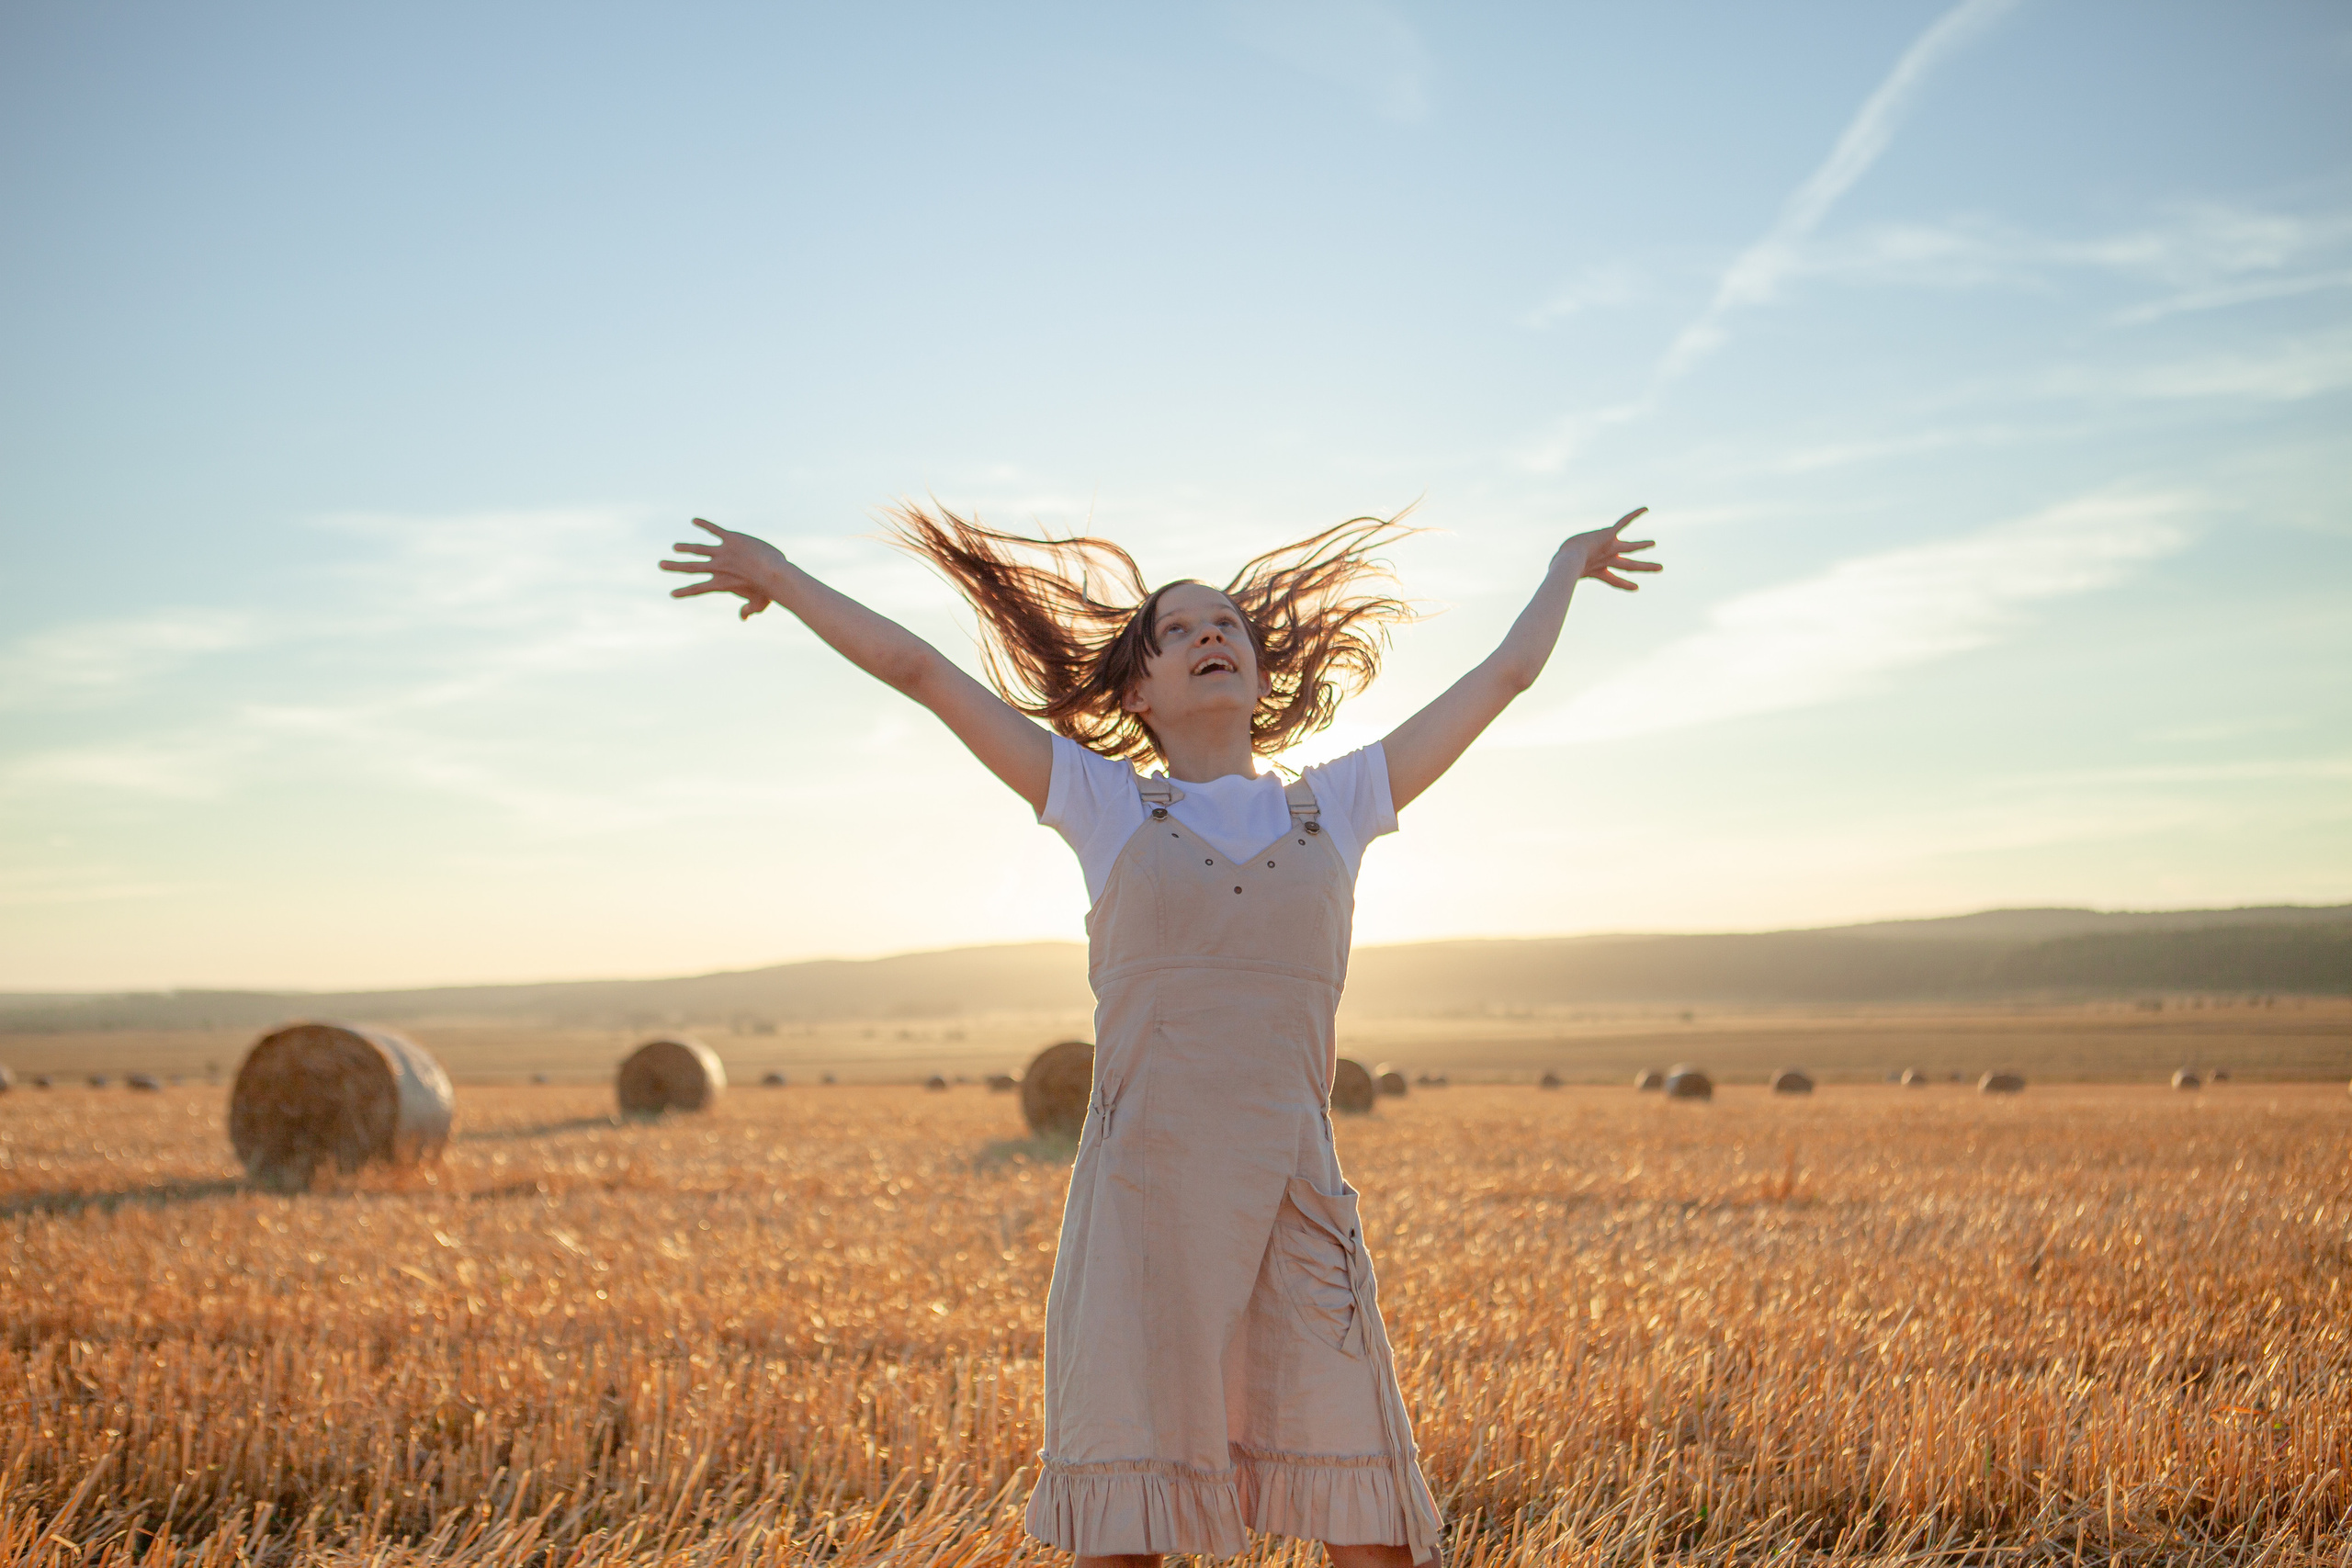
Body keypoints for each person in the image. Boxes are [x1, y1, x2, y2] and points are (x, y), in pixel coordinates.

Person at [661, 502, 1660, 1568]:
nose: (1211, 634)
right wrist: (781, 573)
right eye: (1176, 631)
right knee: (1127, 1530)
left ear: (1259, 679)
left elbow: (1503, 676)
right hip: (1145, 1198)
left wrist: (1562, 565)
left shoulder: (1343, 802)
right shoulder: (1103, 805)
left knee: (1372, 1525)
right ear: (1138, 691)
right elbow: (919, 670)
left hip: (1295, 1193)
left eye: (1225, 622)